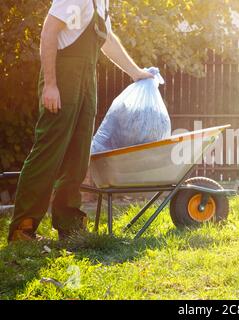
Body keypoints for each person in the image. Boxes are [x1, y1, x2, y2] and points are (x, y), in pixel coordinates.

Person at [8, 0, 153, 242]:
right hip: (63, 78)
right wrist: (51, 85)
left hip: (86, 81)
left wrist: (136, 72)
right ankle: (23, 227)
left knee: (79, 153)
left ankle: (69, 224)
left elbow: (108, 41)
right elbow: (49, 32)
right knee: (49, 151)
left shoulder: (102, 3)